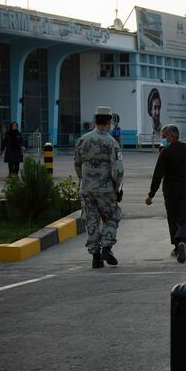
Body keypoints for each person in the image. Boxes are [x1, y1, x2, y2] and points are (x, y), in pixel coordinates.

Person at [144, 124, 186, 263]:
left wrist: (151, 194)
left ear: (172, 136)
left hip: (170, 191)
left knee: (172, 218)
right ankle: (182, 240)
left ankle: (177, 247)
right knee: (185, 218)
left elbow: (157, 174)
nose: (162, 138)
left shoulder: (165, 152)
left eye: (164, 136)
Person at [74, 106, 124, 269]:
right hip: (105, 189)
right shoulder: (111, 142)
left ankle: (95, 257)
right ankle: (107, 248)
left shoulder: (82, 140)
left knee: (92, 221)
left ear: (96, 121)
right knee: (112, 216)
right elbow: (118, 169)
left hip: (87, 188)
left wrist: (83, 180)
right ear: (108, 122)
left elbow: (77, 164)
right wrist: (117, 188)